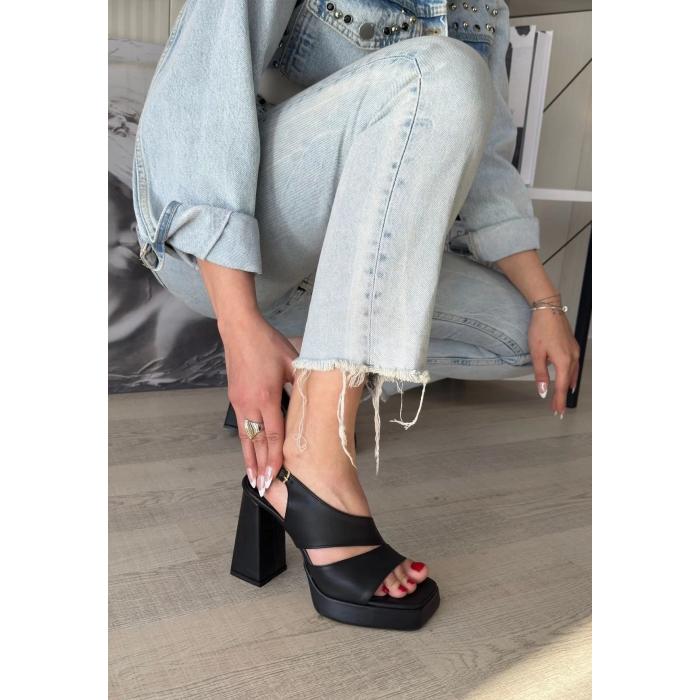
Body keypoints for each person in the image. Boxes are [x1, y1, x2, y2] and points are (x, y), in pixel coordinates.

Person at [132, 0, 580, 630]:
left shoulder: (483, 8)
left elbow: (487, 173)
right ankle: (316, 459)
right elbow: (204, 93)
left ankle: (309, 383)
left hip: (344, 260)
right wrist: (238, 326)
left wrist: (546, 303)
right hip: (242, 242)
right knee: (443, 73)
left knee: (513, 330)